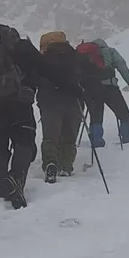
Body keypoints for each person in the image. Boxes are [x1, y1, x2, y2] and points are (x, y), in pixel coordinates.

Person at [0, 23, 69, 209]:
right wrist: (69, 87)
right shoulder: (22, 47)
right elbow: (46, 68)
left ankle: (0, 186)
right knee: (24, 141)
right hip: (20, 102)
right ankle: (15, 180)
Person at [37, 31, 86, 182]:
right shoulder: (75, 55)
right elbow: (88, 75)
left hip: (50, 101)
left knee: (51, 136)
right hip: (73, 101)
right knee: (69, 136)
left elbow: (35, 78)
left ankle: (51, 162)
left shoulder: (42, 58)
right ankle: (66, 165)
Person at [76, 38, 129, 147]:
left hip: (90, 89)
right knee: (123, 113)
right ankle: (127, 137)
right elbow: (122, 67)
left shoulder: (82, 55)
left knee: (95, 116)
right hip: (109, 87)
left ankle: (96, 140)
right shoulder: (110, 51)